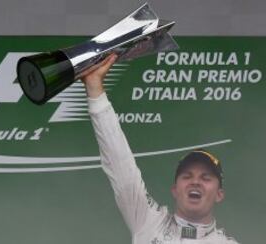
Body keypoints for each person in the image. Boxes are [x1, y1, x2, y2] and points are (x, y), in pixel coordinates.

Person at [81, 54, 239, 244]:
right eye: (186, 176)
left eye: (206, 178)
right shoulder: (148, 222)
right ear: (174, 189)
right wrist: (95, 89)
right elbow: (120, 165)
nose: (195, 182)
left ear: (219, 194)